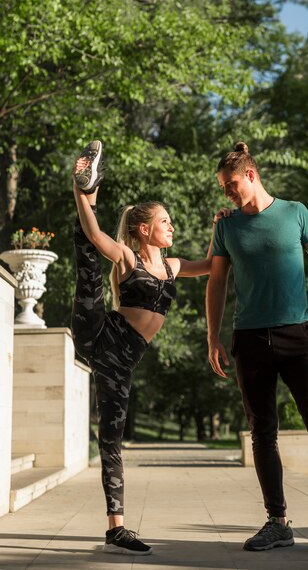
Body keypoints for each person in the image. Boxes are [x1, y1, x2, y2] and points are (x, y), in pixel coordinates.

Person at [206, 141, 308, 557]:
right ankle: (277, 522)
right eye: (223, 188)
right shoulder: (226, 227)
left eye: (232, 184)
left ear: (252, 175)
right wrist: (213, 336)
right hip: (250, 339)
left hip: (298, 335)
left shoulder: (296, 212)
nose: (228, 193)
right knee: (263, 432)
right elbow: (217, 282)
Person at [71, 140, 223, 556]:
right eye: (165, 222)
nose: (171, 227)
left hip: (123, 361)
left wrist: (220, 226)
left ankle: (114, 530)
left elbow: (213, 265)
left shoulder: (172, 267)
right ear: (144, 230)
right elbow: (96, 234)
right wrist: (81, 197)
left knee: (112, 436)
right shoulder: (126, 257)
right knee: (88, 264)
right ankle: (84, 188)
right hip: (101, 336)